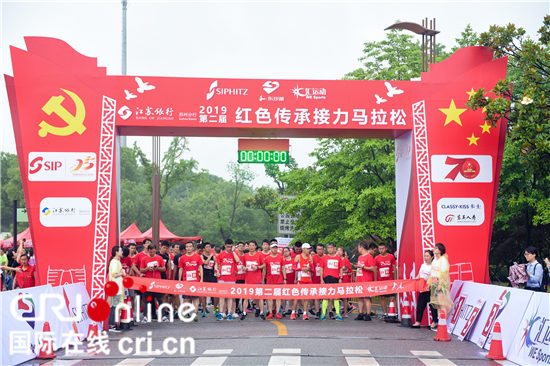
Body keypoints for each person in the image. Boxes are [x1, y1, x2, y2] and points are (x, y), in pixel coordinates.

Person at [215, 239, 242, 321]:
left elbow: (238, 260)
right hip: (222, 278)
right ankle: (221, 313)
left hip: (231, 278)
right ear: (225, 245)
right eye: (227, 247)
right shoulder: (221, 255)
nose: (229, 248)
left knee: (230, 296)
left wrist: (233, 251)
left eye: (230, 247)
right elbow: (217, 264)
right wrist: (216, 271)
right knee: (222, 296)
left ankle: (229, 313)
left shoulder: (234, 255)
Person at [428, 243, 453, 327]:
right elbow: (432, 272)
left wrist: (440, 284)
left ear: (440, 250)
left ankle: (443, 323)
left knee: (442, 304)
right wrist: (430, 283)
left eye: (436, 248)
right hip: (434, 283)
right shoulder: (435, 260)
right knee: (438, 305)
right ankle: (440, 322)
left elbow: (443, 273)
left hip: (440, 283)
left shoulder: (443, 260)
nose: (434, 249)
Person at [139, 244, 166, 322]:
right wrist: (147, 268)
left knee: (160, 299)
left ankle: (163, 315)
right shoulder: (144, 259)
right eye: (150, 251)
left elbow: (164, 268)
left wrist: (157, 268)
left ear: (155, 250)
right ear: (148, 250)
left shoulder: (159, 258)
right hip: (148, 282)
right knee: (147, 300)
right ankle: (145, 316)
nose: (152, 252)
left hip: (157, 282)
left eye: (154, 251)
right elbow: (141, 270)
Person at [412, 250, 437, 329]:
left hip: (430, 288)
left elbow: (435, 277)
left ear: (432, 257)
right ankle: (418, 322)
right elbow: (420, 273)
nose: (425, 258)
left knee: (432, 306)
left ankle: (434, 322)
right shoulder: (423, 265)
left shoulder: (434, 266)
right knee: (420, 306)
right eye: (425, 256)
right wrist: (417, 276)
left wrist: (428, 279)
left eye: (427, 256)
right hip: (422, 288)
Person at [179, 241, 203, 322]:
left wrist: (201, 279)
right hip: (186, 281)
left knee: (195, 298)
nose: (188, 248)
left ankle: (195, 314)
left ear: (193, 248)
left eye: (190, 246)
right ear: (185, 248)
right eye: (187, 247)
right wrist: (180, 280)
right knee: (186, 299)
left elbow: (200, 267)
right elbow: (181, 269)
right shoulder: (182, 258)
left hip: (195, 281)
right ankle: (185, 313)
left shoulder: (198, 257)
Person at [241, 240, 266, 320]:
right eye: (250, 245)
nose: (251, 247)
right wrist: (244, 268)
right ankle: (244, 312)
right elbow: (243, 265)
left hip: (257, 280)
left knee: (260, 297)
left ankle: (262, 312)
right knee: (246, 297)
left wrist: (258, 267)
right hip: (248, 280)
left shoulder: (259, 255)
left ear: (255, 246)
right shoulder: (245, 255)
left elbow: (264, 265)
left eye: (253, 245)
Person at [354, 241, 377, 321]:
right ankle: (361, 313)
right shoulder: (360, 257)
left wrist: (362, 267)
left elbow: (372, 268)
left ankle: (368, 314)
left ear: (362, 247)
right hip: (360, 279)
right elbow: (360, 267)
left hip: (367, 280)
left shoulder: (369, 256)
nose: (358, 249)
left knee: (367, 298)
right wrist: (358, 267)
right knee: (360, 298)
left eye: (359, 247)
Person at [320, 242, 344, 320]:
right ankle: (323, 314)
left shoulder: (338, 258)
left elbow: (341, 268)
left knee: (336, 297)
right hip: (326, 278)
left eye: (331, 247)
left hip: (336, 278)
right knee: (326, 297)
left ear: (334, 248)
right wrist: (321, 279)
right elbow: (321, 268)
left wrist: (341, 278)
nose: (330, 249)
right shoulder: (324, 258)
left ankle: (337, 313)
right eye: (328, 248)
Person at [375, 242, 397, 320]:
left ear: (386, 248)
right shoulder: (377, 258)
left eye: (382, 248)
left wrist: (395, 279)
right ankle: (385, 313)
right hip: (381, 281)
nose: (381, 250)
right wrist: (375, 281)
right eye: (379, 249)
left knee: (392, 297)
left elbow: (394, 267)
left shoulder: (391, 256)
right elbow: (375, 269)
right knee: (383, 297)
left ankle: (395, 312)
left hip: (390, 280)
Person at [265, 242, 286, 319]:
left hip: (279, 280)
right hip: (270, 280)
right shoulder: (267, 258)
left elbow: (283, 268)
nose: (274, 249)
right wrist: (263, 280)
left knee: (278, 297)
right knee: (270, 297)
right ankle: (270, 312)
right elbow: (264, 269)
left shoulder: (280, 258)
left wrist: (285, 278)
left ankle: (277, 312)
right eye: (273, 248)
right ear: (270, 249)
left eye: (276, 248)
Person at [292, 243, 313, 320]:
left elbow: (312, 269)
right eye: (307, 249)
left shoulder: (310, 257)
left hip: (308, 279)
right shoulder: (298, 257)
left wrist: (309, 269)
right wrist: (302, 269)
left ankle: (305, 313)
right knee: (297, 297)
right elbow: (293, 268)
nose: (309, 250)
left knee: (306, 298)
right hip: (300, 280)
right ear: (303, 249)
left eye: (309, 249)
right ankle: (293, 312)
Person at [108, 246, 126, 332]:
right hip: (115, 288)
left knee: (115, 306)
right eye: (120, 250)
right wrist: (122, 273)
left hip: (118, 287)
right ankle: (112, 325)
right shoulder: (115, 262)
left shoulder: (117, 261)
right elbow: (114, 274)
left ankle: (114, 324)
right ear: (116, 252)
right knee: (114, 306)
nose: (122, 252)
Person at [200, 242, 218, 317]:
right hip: (205, 276)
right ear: (204, 249)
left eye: (210, 247)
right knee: (204, 294)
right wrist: (210, 256)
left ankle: (215, 310)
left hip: (212, 276)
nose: (209, 248)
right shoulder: (201, 256)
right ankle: (204, 310)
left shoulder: (213, 256)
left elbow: (217, 263)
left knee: (215, 294)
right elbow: (205, 262)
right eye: (207, 247)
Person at [337, 247, 353, 317]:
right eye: (338, 250)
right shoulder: (336, 259)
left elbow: (347, 270)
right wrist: (342, 269)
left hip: (345, 279)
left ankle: (345, 311)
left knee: (344, 297)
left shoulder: (346, 260)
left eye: (340, 251)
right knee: (336, 297)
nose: (339, 252)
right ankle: (337, 311)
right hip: (337, 279)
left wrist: (341, 270)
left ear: (343, 252)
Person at [311, 244, 325, 318]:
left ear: (323, 250)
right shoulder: (313, 258)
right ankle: (317, 311)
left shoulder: (325, 257)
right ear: (316, 250)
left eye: (321, 249)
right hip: (315, 279)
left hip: (324, 280)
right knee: (317, 297)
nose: (319, 251)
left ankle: (324, 311)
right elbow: (311, 269)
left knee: (325, 297)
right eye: (318, 249)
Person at [283, 247, 296, 314]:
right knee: (284, 295)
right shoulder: (283, 260)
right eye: (284, 252)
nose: (286, 253)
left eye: (287, 251)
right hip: (285, 280)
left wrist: (296, 279)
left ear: (289, 251)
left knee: (292, 295)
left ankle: (291, 309)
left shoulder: (293, 260)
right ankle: (284, 310)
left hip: (292, 279)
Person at [235, 242, 246, 314]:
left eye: (242, 246)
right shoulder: (235, 256)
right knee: (237, 295)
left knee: (244, 295)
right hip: (237, 278)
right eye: (240, 246)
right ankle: (236, 308)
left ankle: (244, 308)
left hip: (245, 278)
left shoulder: (246, 256)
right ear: (238, 247)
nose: (241, 247)